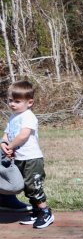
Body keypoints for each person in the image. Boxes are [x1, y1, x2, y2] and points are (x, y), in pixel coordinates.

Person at [2, 80, 54, 229]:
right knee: (26, 186)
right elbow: (6, 135)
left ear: (29, 102)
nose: (12, 104)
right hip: (18, 158)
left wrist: (11, 146)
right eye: (10, 100)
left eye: (17, 101)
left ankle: (45, 212)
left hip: (31, 158)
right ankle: (37, 212)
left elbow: (23, 135)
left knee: (33, 187)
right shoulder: (13, 117)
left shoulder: (28, 116)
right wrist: (4, 144)